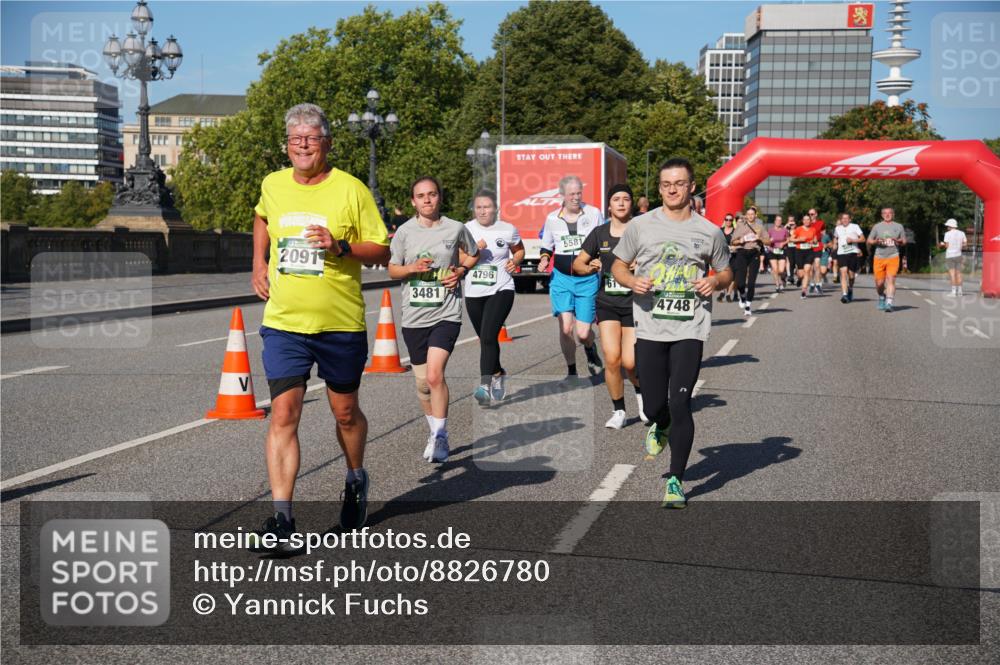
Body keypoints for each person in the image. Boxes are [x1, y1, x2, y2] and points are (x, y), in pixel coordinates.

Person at [249, 103, 390, 548]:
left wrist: (340, 245)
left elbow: (381, 251)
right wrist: (257, 262)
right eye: (295, 139)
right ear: (287, 146)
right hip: (284, 322)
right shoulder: (273, 184)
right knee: (284, 415)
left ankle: (354, 477)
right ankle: (282, 520)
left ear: (327, 143)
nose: (303, 145)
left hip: (339, 324)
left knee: (345, 412)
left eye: (311, 137)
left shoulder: (350, 190)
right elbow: (261, 217)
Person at [610, 158, 733, 509]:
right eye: (666, 184)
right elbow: (618, 264)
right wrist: (632, 280)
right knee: (653, 407)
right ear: (660, 188)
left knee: (680, 402)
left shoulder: (709, 231)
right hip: (649, 326)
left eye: (679, 183)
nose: (673, 189)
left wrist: (714, 280)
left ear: (692, 186)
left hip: (689, 328)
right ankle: (659, 424)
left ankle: (676, 480)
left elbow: (726, 274)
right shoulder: (640, 226)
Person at [388, 177, 479, 462]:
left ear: (440, 197)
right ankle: (434, 431)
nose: (427, 200)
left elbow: (474, 254)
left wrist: (461, 271)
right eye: (420, 196)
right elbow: (392, 270)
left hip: (446, 312)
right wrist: (412, 268)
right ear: (413, 201)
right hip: (414, 316)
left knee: (434, 375)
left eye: (432, 194)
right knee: (422, 384)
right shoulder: (404, 232)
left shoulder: (456, 228)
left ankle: (440, 436)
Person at [573, 184, 644, 429]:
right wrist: (590, 266)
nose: (622, 203)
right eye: (616, 199)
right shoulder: (599, 233)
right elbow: (578, 264)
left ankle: (641, 393)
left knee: (631, 362)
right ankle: (619, 410)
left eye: (626, 198)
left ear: (632, 203)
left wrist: (641, 265)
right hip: (607, 303)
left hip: (636, 303)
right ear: (609, 205)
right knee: (612, 359)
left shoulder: (642, 230)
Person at [538, 175, 605, 379]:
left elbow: (602, 241)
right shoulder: (552, 218)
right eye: (571, 194)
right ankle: (572, 372)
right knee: (566, 328)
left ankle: (590, 347)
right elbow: (547, 246)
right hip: (561, 279)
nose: (576, 198)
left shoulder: (593, 213)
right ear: (562, 195)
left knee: (583, 333)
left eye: (578, 193)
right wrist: (543, 259)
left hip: (587, 279)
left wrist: (600, 259)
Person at [464, 190, 524, 403]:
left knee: (489, 336)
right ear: (474, 209)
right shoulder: (466, 229)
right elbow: (459, 257)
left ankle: (484, 386)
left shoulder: (508, 229)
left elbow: (519, 250)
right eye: (479, 207)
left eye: (487, 207)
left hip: (501, 288)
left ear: (495, 209)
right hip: (473, 291)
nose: (483, 211)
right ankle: (498, 373)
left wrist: (515, 261)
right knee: (485, 338)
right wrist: (473, 250)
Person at [729, 206, 769, 316]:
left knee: (751, 282)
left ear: (756, 215)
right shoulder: (740, 226)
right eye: (748, 214)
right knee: (740, 282)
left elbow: (768, 241)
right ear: (746, 216)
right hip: (742, 252)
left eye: (752, 214)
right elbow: (733, 242)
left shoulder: (760, 227)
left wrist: (759, 238)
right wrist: (740, 240)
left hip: (754, 253)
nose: (750, 216)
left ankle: (748, 306)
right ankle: (742, 295)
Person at [866, 207, 907, 312]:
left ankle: (889, 303)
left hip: (893, 256)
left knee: (891, 278)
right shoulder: (877, 226)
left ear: (893, 214)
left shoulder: (899, 226)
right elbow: (869, 240)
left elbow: (904, 241)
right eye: (885, 213)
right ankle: (881, 296)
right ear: (882, 215)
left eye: (889, 213)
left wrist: (898, 240)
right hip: (879, 257)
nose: (887, 215)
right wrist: (876, 241)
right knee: (879, 284)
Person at [831, 212, 865, 303]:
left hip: (852, 252)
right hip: (841, 253)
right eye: (843, 218)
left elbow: (863, 238)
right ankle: (844, 294)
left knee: (851, 275)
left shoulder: (855, 226)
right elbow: (835, 237)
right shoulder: (837, 228)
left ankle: (850, 289)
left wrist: (853, 240)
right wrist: (834, 244)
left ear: (850, 219)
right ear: (841, 220)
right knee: (843, 272)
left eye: (847, 218)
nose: (845, 220)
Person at [789, 212, 819, 299]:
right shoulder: (798, 229)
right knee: (801, 273)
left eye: (808, 219)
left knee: (807, 270)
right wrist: (800, 239)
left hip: (809, 251)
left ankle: (804, 291)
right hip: (799, 252)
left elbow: (815, 240)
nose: (806, 221)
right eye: (805, 219)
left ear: (810, 221)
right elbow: (791, 239)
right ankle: (799, 278)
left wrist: (814, 242)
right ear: (802, 221)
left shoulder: (813, 229)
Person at [940, 218, 967, 297]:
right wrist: (959, 246)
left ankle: (953, 292)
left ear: (950, 226)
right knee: (959, 273)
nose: (947, 227)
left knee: (952, 274)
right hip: (958, 255)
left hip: (950, 256)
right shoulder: (962, 233)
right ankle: (960, 291)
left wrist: (942, 244)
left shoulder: (947, 234)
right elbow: (965, 244)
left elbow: (947, 246)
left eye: (948, 225)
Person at [717, 213, 736, 302]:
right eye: (727, 219)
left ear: (732, 221)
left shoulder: (735, 231)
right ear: (724, 220)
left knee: (732, 276)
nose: (728, 221)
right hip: (722, 256)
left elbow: (739, 243)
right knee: (722, 274)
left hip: (733, 256)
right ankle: (723, 291)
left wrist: (733, 247)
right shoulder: (720, 230)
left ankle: (729, 294)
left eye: (730, 220)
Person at [806, 209, 826, 294]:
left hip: (818, 246)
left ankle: (818, 284)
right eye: (809, 214)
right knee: (810, 268)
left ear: (816, 214)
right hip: (808, 247)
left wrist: (819, 240)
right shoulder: (807, 223)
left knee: (817, 265)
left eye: (812, 214)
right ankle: (811, 284)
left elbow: (823, 233)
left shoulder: (821, 223)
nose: (811, 215)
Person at [767, 214, 788, 292]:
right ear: (774, 221)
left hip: (782, 251)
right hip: (772, 251)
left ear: (781, 222)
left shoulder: (784, 230)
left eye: (780, 220)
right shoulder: (770, 230)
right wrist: (770, 241)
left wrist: (784, 243)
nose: (778, 222)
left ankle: (783, 278)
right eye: (777, 220)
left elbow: (788, 239)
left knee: (781, 270)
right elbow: (766, 241)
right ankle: (777, 285)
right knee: (775, 269)